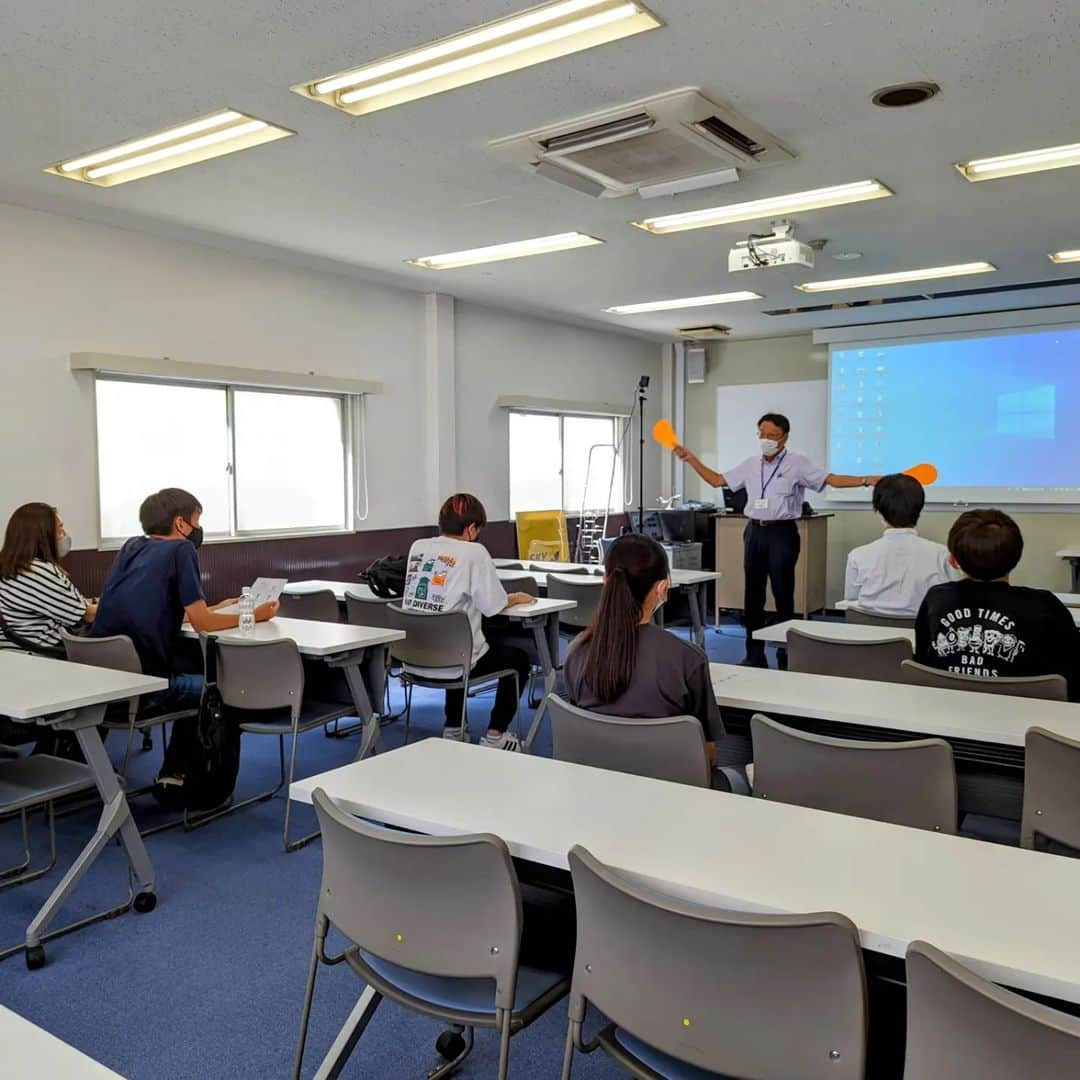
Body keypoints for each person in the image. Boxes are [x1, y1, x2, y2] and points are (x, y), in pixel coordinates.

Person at [676, 413, 881, 666]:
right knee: (753, 596)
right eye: (762, 433)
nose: (765, 439)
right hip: (754, 532)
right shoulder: (751, 464)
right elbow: (718, 480)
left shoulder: (798, 464)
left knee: (783, 594)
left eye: (772, 435)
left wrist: (865, 481)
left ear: (784, 438)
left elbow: (831, 480)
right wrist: (691, 460)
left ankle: (786, 653)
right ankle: (754, 654)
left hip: (782, 533)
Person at [92, 488, 278, 716]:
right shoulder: (181, 549)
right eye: (196, 521)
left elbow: (154, 610)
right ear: (180, 523)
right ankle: (193, 752)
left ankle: (183, 752)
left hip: (107, 679)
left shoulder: (131, 547)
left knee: (198, 672)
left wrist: (213, 609)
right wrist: (255, 615)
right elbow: (204, 625)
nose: (198, 529)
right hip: (150, 686)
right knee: (227, 691)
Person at [402, 493, 535, 750]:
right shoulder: (475, 552)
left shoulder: (418, 547)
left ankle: (453, 728)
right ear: (472, 528)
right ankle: (496, 735)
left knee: (462, 642)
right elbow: (493, 606)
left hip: (415, 659)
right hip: (455, 662)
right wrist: (515, 596)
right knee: (517, 659)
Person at [915, 509, 1080, 700]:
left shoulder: (936, 598)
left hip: (944, 713)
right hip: (1027, 719)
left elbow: (923, 661)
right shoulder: (1046, 606)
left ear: (953, 560)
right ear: (1016, 558)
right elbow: (1073, 678)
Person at [844, 473, 955, 618]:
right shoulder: (942, 555)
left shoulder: (858, 555)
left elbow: (851, 598)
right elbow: (952, 597)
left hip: (868, 634)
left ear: (878, 512)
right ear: (919, 509)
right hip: (922, 636)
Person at [0, 503, 95, 654]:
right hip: (41, 652)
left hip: (17, 649)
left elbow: (68, 603)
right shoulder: (37, 571)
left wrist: (96, 601)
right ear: (44, 536)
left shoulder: (12, 565)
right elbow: (88, 615)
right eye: (60, 530)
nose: (65, 535)